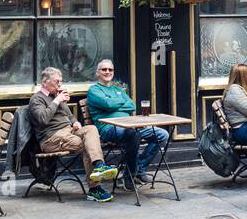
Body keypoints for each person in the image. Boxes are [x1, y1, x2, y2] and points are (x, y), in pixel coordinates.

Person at [28, 66, 119, 202]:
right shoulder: (36, 99)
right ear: (45, 82)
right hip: (51, 138)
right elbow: (42, 119)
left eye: (61, 81)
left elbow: (69, 116)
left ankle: (99, 165)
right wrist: (57, 100)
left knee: (91, 129)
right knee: (88, 145)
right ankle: (94, 189)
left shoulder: (56, 96)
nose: (60, 84)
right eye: (56, 81)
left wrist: (75, 122)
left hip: (69, 132)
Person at [85, 59, 169, 187]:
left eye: (110, 70)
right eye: (104, 69)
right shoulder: (94, 90)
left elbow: (131, 106)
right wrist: (117, 102)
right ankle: (129, 176)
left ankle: (139, 168)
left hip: (131, 125)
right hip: (109, 128)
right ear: (97, 72)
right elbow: (107, 104)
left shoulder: (117, 90)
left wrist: (114, 103)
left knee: (162, 134)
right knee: (133, 134)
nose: (107, 72)